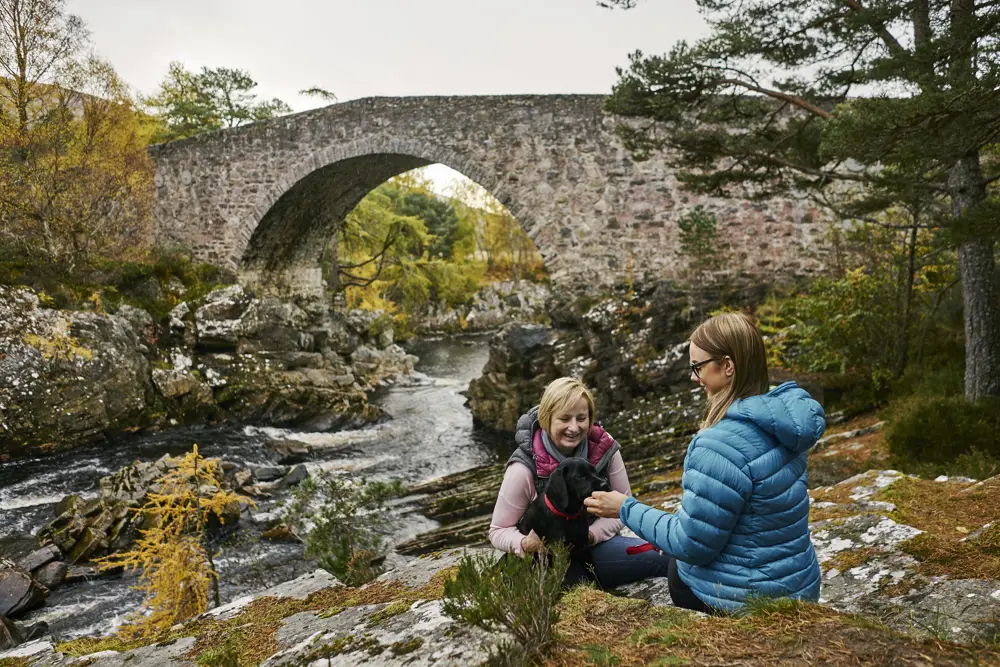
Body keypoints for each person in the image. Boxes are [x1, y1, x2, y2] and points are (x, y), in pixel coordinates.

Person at [584, 312, 825, 613]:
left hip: (747, 602)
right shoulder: (784, 421)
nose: (693, 377)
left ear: (727, 366)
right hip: (800, 588)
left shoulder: (717, 445)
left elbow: (690, 545)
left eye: (697, 367)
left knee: (677, 566)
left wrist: (624, 508)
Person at [488, 376, 673, 589]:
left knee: (669, 559)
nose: (574, 428)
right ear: (547, 419)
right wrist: (524, 543)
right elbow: (497, 530)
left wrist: (590, 536)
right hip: (546, 562)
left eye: (581, 418)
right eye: (564, 419)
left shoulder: (605, 448)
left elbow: (625, 505)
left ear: (591, 418)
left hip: (596, 549)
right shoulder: (523, 468)